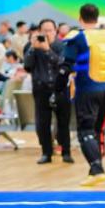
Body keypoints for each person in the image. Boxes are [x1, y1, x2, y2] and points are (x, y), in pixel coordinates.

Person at [60, 3, 105, 185]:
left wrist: (58, 89)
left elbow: (66, 65)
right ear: (97, 17)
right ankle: (95, 170)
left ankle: (97, 168)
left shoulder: (76, 37)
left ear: (80, 18)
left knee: (85, 131)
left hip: (86, 89)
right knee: (97, 131)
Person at [23, 19, 73, 164]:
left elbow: (62, 64)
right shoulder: (32, 46)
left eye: (50, 30)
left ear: (55, 31)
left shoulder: (62, 45)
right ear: (39, 31)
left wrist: (47, 50)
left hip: (60, 88)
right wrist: (33, 48)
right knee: (42, 123)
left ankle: (66, 152)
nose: (47, 33)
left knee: (63, 122)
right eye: (44, 30)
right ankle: (46, 153)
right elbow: (27, 66)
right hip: (41, 89)